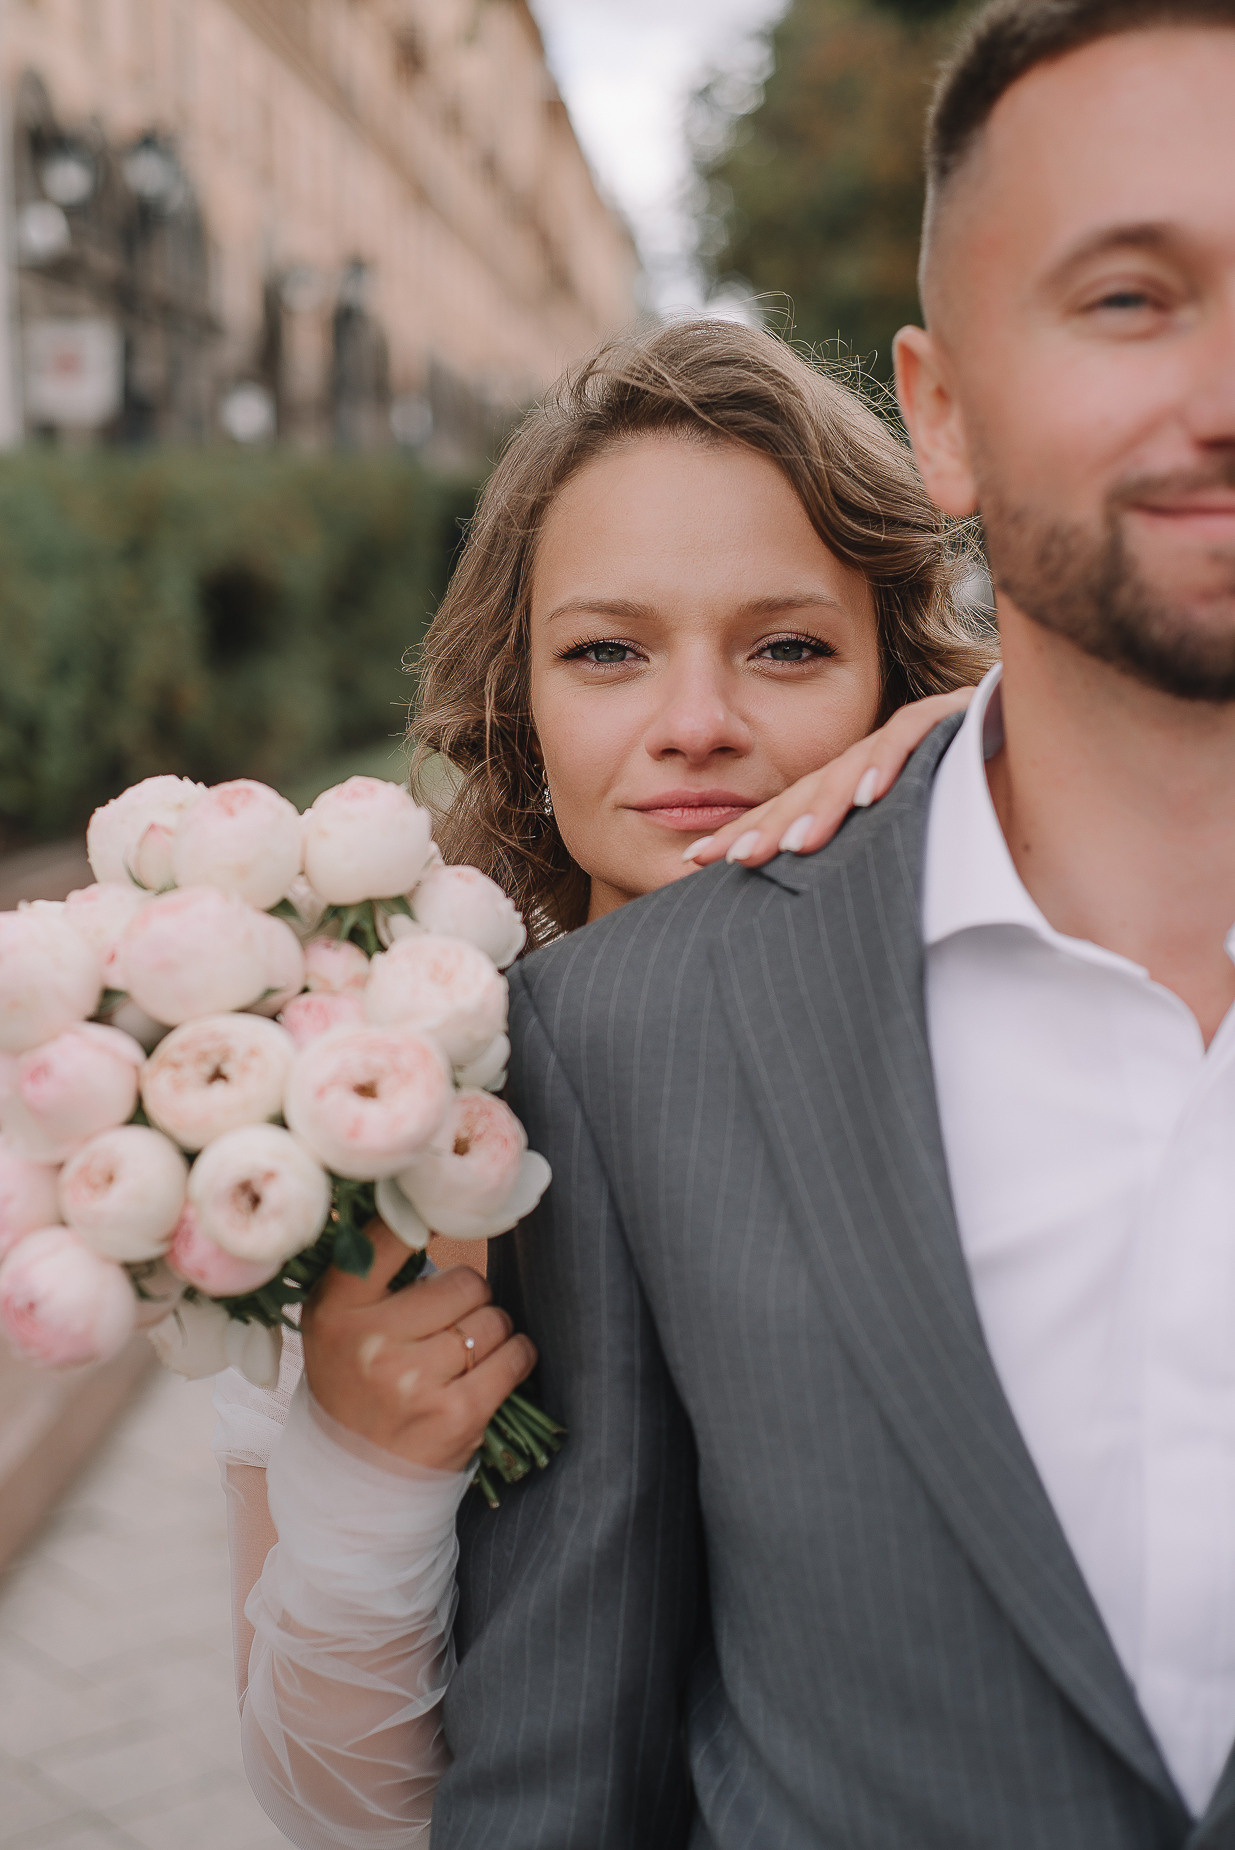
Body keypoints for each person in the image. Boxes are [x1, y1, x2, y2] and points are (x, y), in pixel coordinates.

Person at [432, 3, 1235, 1847]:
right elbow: (557, 1764)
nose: (698, 723)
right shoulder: (595, 1043)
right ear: (944, 407)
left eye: (786, 646)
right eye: (1126, 296)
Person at [211, 317, 991, 1847]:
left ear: (898, 677)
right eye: (607, 651)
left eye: (788, 647)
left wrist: (1015, 735)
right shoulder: (367, 1135)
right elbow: (340, 1810)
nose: (696, 721)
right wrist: (367, 1467)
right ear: (522, 701)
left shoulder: (1003, 1036)